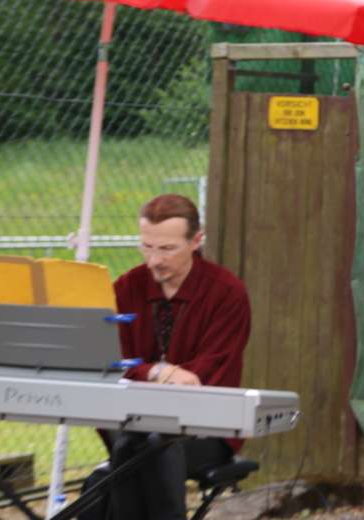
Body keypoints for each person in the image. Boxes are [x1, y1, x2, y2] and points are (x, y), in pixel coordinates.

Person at [102, 193, 251, 520]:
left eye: (167, 248)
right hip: (133, 423)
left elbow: (209, 371)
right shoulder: (126, 288)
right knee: (136, 447)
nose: (154, 260)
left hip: (208, 427)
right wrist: (159, 372)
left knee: (151, 449)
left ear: (196, 240)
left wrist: (148, 374)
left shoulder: (227, 292)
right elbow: (112, 363)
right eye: (147, 246)